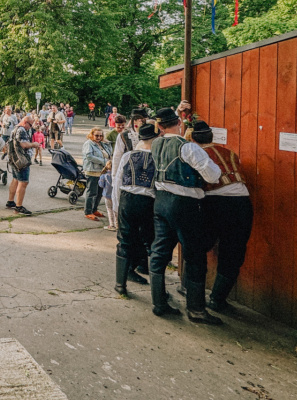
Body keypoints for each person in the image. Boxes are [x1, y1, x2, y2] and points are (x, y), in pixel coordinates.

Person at [148, 107, 222, 324]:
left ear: (159, 127)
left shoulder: (155, 144)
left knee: (159, 252)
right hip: (185, 204)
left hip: (160, 202)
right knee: (195, 255)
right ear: (178, 123)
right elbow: (213, 174)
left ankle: (159, 302)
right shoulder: (187, 147)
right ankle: (196, 310)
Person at [191, 120, 253, 313]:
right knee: (233, 252)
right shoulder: (230, 153)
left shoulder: (196, 154)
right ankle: (218, 299)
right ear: (212, 136)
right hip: (242, 203)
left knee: (198, 246)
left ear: (193, 139)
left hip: (214, 201)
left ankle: (191, 292)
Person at [112, 122, 159, 297]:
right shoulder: (158, 157)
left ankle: (120, 285)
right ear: (155, 139)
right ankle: (158, 293)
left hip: (127, 199)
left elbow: (118, 181)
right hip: (148, 201)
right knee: (152, 242)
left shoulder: (129, 156)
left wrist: (117, 207)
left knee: (124, 239)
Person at [5, 116, 37, 215]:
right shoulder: (22, 130)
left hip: (14, 159)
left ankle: (10, 201)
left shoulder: (15, 129)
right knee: (23, 182)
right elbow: (23, 144)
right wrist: (33, 144)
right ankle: (19, 206)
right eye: (30, 125)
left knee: (15, 180)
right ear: (25, 122)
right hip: (21, 161)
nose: (30, 127)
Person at [82, 128, 112, 221]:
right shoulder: (89, 143)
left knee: (100, 192)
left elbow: (110, 153)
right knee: (92, 192)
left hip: (102, 171)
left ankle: (94, 209)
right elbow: (89, 156)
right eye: (97, 135)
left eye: (101, 135)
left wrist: (107, 143)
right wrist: (104, 162)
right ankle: (88, 211)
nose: (99, 137)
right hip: (92, 170)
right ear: (91, 135)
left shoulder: (103, 144)